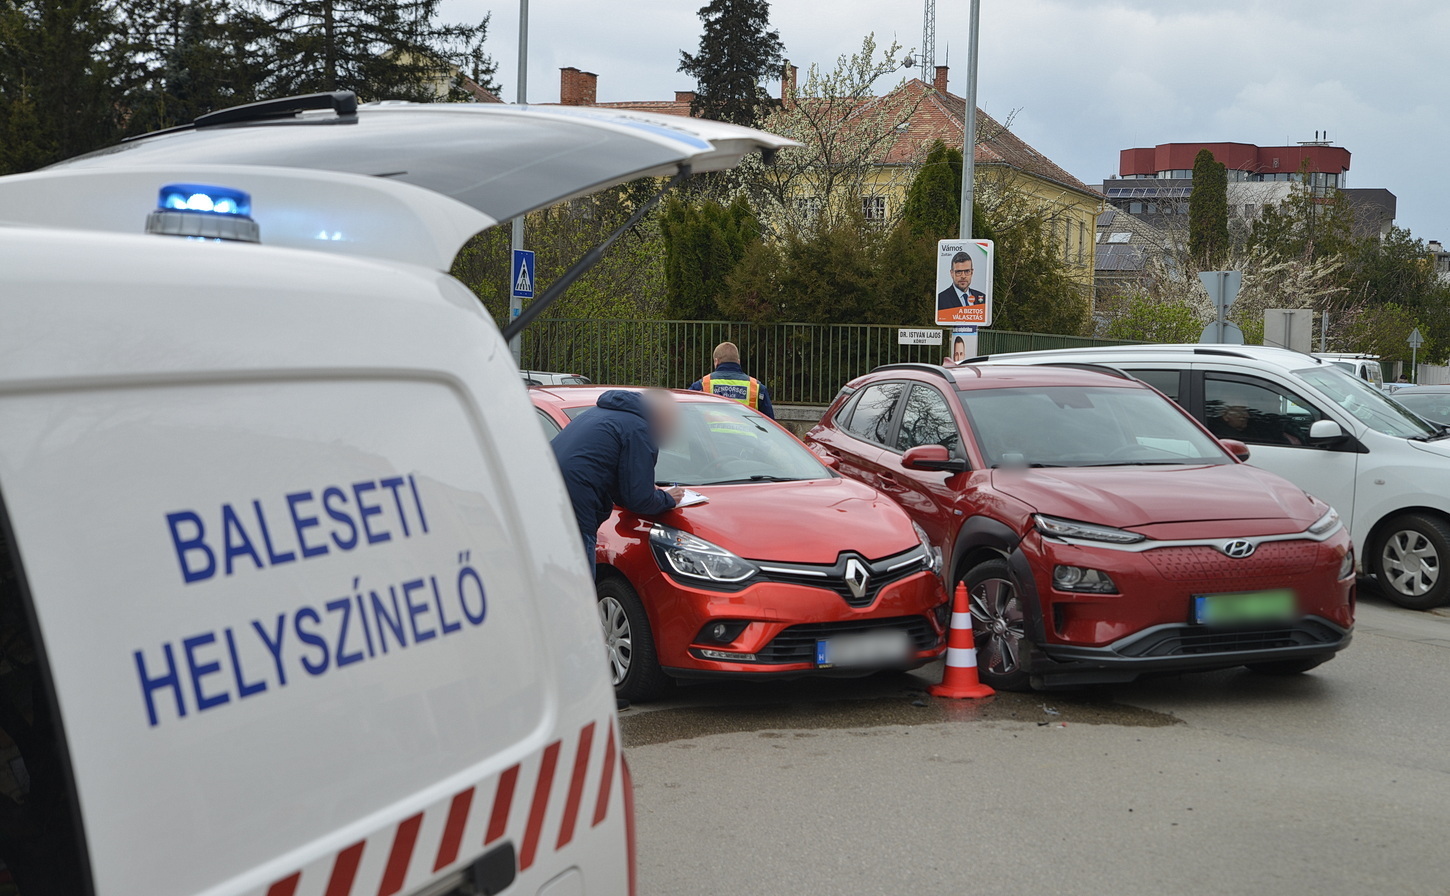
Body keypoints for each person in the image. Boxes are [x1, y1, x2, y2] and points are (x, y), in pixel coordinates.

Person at [551, 389, 685, 574]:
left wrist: (644, 488)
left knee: (555, 576)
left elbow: (605, 466)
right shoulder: (638, 428)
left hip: (548, 495)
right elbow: (638, 499)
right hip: (576, 505)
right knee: (579, 583)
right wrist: (667, 498)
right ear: (659, 417)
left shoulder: (599, 413)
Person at [689, 342, 776, 419]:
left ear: (716, 361)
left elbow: (686, 412)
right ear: (738, 361)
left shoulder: (703, 384)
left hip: (711, 437)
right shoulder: (756, 387)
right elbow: (770, 423)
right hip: (746, 437)